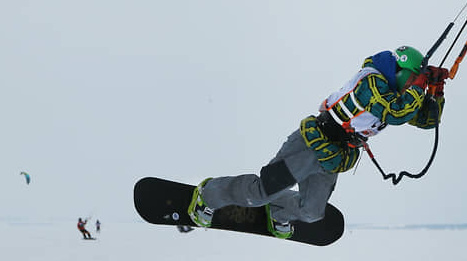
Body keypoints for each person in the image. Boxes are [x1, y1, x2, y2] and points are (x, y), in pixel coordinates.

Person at [188, 45, 448, 238]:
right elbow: (395, 112)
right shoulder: (372, 81)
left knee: (312, 212)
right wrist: (420, 86)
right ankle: (208, 195)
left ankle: (279, 211)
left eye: (419, 82)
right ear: (401, 72)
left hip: (335, 156)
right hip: (310, 144)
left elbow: (427, 120)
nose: (416, 86)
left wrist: (435, 92)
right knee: (259, 193)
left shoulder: (398, 94)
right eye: (415, 80)